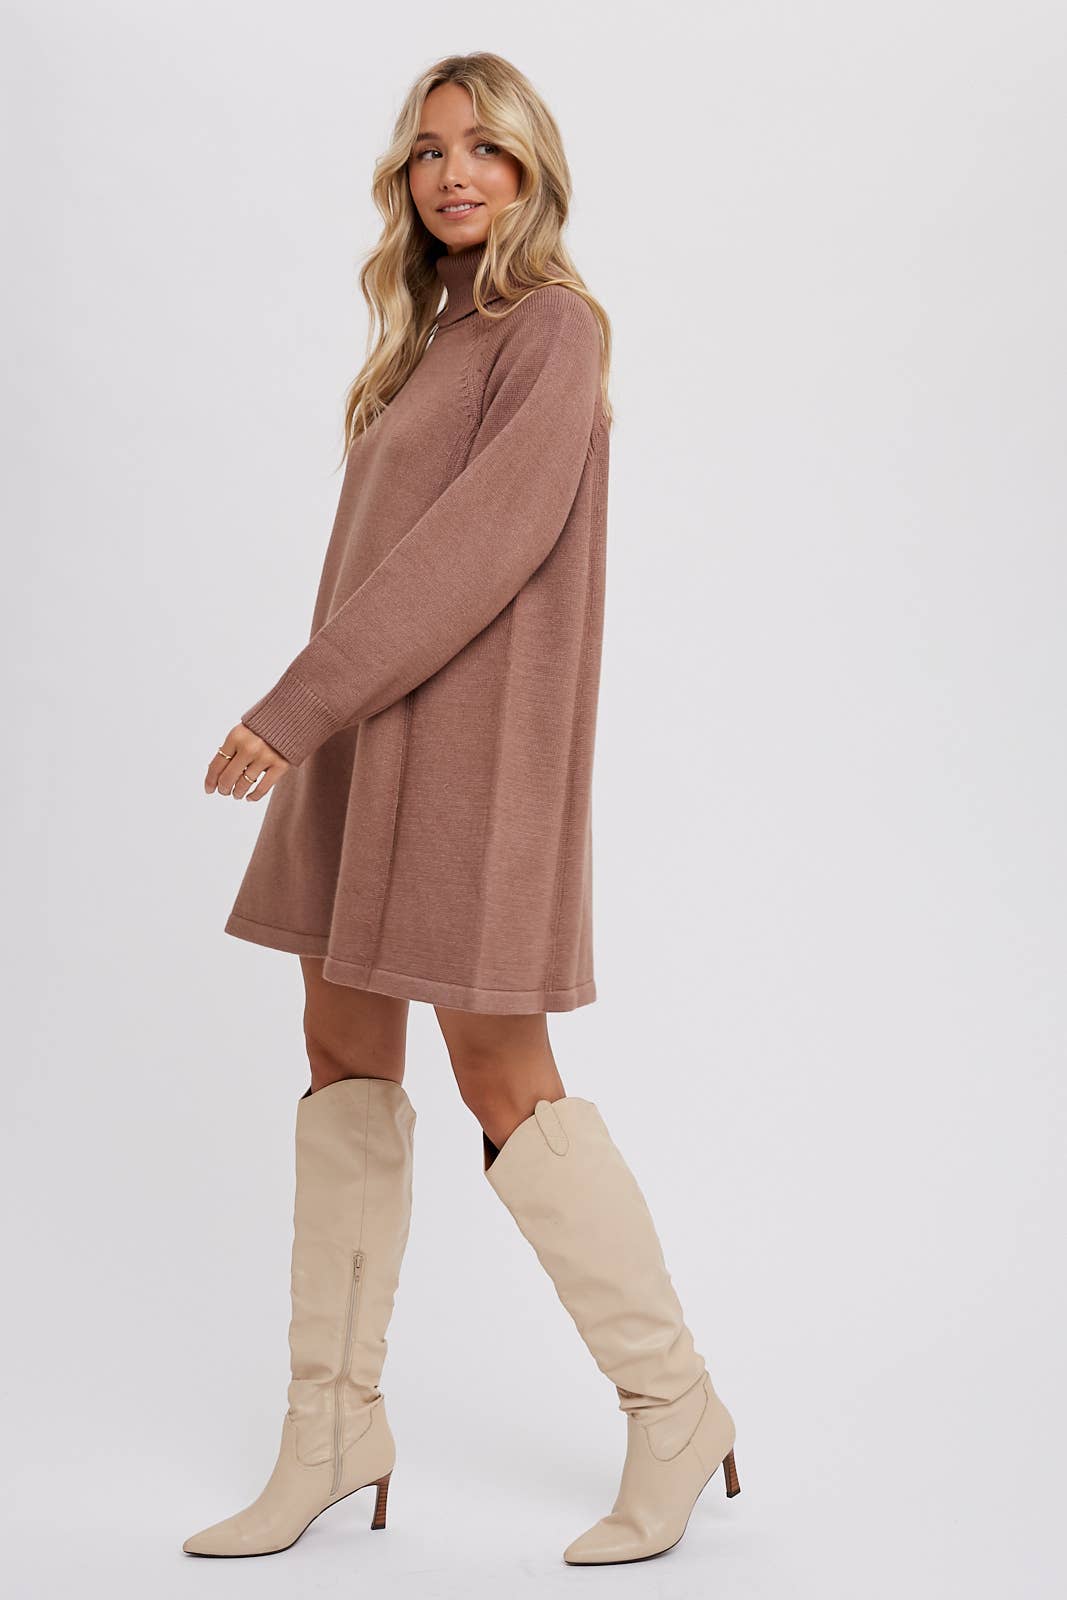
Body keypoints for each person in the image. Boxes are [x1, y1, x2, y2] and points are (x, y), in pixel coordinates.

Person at [183, 51, 740, 1566]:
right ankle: (330, 1430)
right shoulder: (427, 340)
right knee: (340, 1053)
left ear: (532, 169)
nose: (454, 174)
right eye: (430, 150)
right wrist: (329, 719)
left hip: (468, 764)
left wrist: (294, 706)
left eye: (486, 147)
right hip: (371, 745)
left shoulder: (553, 328)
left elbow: (476, 553)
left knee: (505, 1074)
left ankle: (674, 1405)